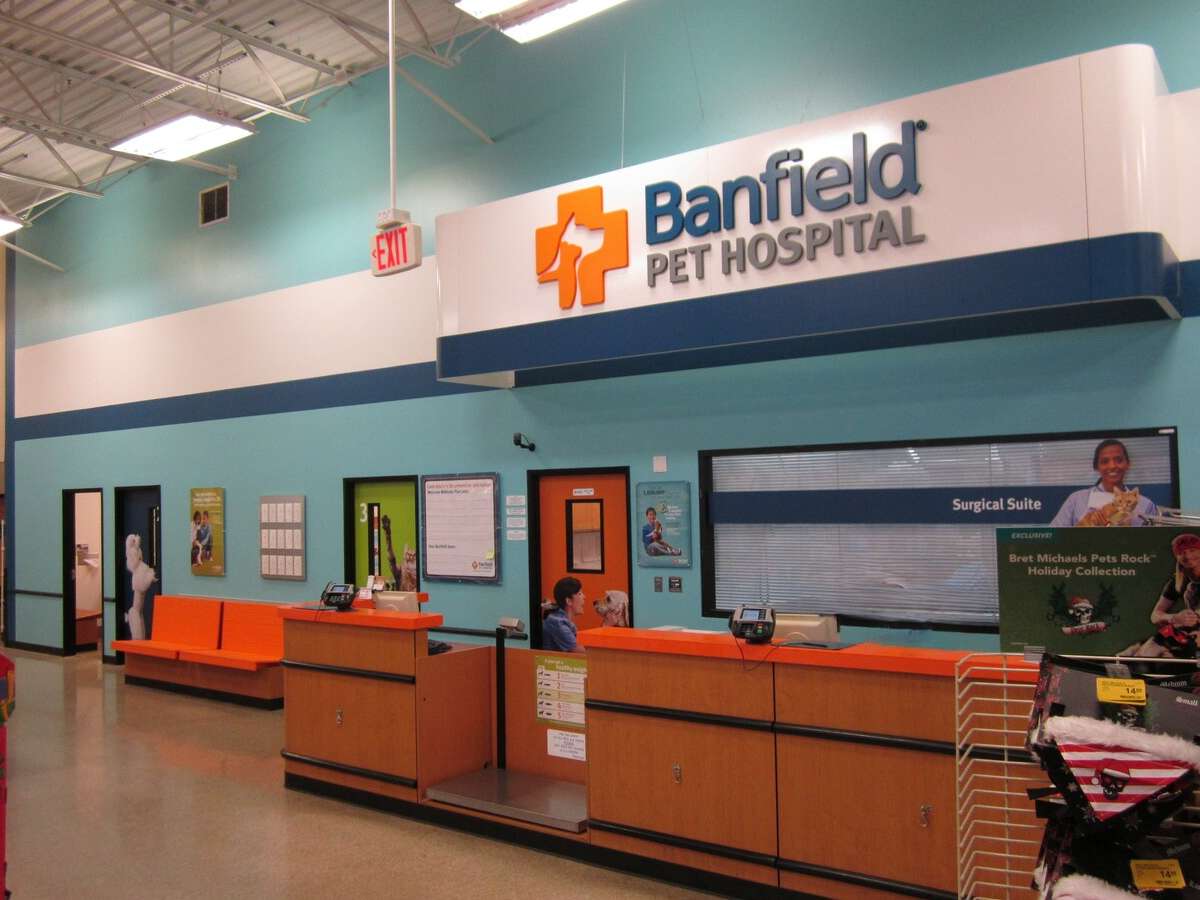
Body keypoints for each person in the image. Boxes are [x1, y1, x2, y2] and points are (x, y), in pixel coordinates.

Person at [1050, 439, 1159, 526]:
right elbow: (1053, 539)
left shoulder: (1146, 505)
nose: (1112, 466)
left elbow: (1154, 546)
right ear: (1096, 467)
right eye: (1104, 461)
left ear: (1128, 464)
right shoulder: (1076, 500)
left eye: (1119, 460)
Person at [1136, 533, 1200, 658]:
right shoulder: (1178, 580)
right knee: (1142, 653)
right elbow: (1155, 615)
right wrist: (1174, 618)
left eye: (1192, 550)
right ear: (1176, 556)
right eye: (1182, 552)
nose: (1188, 556)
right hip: (1188, 633)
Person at [543, 576, 585, 652]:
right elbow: (581, 651)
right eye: (580, 594)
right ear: (568, 601)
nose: (584, 597)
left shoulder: (563, 620)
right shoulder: (557, 622)